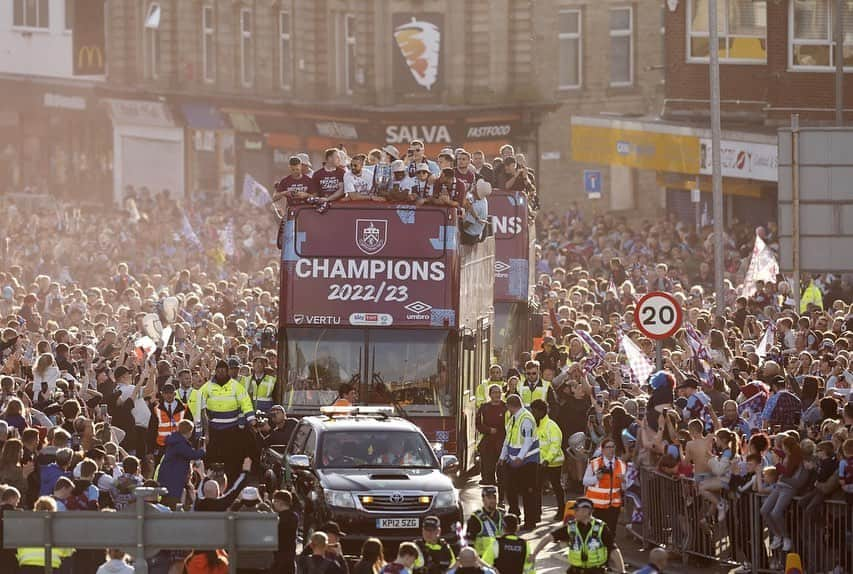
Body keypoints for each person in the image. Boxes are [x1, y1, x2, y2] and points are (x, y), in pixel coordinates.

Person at [198, 360, 255, 482]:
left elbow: (246, 403)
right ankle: (211, 483)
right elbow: (199, 403)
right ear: (215, 372)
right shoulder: (207, 387)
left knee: (232, 457)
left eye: (223, 371)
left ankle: (231, 481)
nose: (221, 373)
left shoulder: (236, 386)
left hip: (231, 429)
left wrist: (251, 419)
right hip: (214, 429)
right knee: (212, 458)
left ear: (227, 371)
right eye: (218, 371)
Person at [532, 497, 611, 574]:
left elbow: (613, 549)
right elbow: (548, 537)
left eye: (576, 510)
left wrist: (621, 570)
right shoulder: (571, 527)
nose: (574, 513)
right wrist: (534, 554)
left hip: (596, 570)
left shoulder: (601, 528)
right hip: (575, 570)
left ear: (586, 511)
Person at [582, 437, 625, 572]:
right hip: (597, 506)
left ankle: (606, 562)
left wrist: (624, 481)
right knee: (595, 534)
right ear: (602, 449)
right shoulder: (595, 463)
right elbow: (585, 481)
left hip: (613, 505)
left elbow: (625, 485)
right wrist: (597, 478)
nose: (611, 450)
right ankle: (593, 560)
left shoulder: (621, 465)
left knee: (610, 534)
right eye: (608, 447)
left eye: (612, 447)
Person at [500, 394, 540, 531]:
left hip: (528, 462)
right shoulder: (513, 419)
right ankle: (515, 515)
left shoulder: (526, 419)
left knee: (528, 492)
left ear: (510, 406)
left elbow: (528, 441)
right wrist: (502, 456)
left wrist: (520, 457)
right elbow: (508, 439)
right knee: (511, 490)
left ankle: (530, 522)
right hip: (513, 461)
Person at [16, 496, 75, 572]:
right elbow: (68, 550)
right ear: (53, 510)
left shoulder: (25, 525)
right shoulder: (58, 528)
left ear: (36, 509)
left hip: (27, 564)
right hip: (50, 565)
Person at [155, 419, 205, 509]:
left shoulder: (175, 440)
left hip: (168, 477)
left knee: (167, 500)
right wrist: (202, 451)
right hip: (174, 478)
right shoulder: (180, 443)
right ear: (189, 432)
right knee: (172, 502)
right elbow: (191, 454)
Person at [530, 399, 565, 520]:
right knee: (536, 488)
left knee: (556, 487)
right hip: (540, 463)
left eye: (534, 411)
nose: (532, 413)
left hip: (553, 463)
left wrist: (547, 460)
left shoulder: (552, 426)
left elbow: (555, 446)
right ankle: (536, 513)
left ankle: (562, 511)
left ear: (541, 412)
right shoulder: (535, 425)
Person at [475, 384, 507, 493]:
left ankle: (502, 497)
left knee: (502, 471)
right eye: (494, 392)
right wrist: (488, 430)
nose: (497, 395)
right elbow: (478, 424)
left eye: (498, 392)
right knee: (488, 471)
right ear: (490, 395)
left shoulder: (505, 407)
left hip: (502, 443)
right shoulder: (484, 407)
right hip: (488, 443)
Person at [148, 382, 190, 458]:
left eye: (171, 393)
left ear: (175, 394)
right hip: (162, 446)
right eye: (166, 393)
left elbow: (189, 427)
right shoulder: (156, 409)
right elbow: (152, 430)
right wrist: (150, 450)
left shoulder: (184, 408)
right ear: (162, 394)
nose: (168, 395)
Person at [466, 486, 505, 566]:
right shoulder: (475, 518)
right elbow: (470, 545)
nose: (492, 500)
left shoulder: (503, 515)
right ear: (483, 499)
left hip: (502, 560)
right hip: (483, 563)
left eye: (494, 497)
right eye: (489, 497)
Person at [271, 490, 299, 574]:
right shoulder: (294, 517)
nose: (273, 504)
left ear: (279, 502)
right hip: (290, 557)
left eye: (274, 501)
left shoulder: (277, 518)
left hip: (278, 557)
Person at [461, 179, 491, 244]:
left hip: (469, 236)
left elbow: (466, 225)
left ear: (477, 191)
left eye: (476, 186)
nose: (474, 186)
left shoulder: (477, 206)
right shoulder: (483, 200)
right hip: (475, 233)